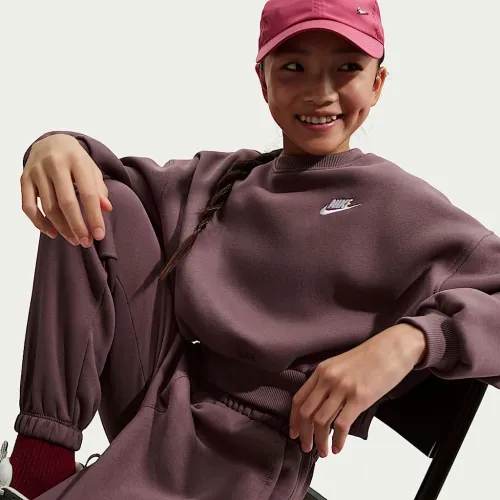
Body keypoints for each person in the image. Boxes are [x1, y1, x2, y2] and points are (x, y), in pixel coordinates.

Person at [2, 0, 500, 498]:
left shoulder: (399, 205)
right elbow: (109, 180)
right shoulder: (230, 177)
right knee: (90, 200)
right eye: (294, 67)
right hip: (160, 388)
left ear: (377, 83)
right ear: (263, 82)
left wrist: (409, 343)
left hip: (251, 454)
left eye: (347, 67)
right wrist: (55, 145)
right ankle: (41, 459)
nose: (320, 91)